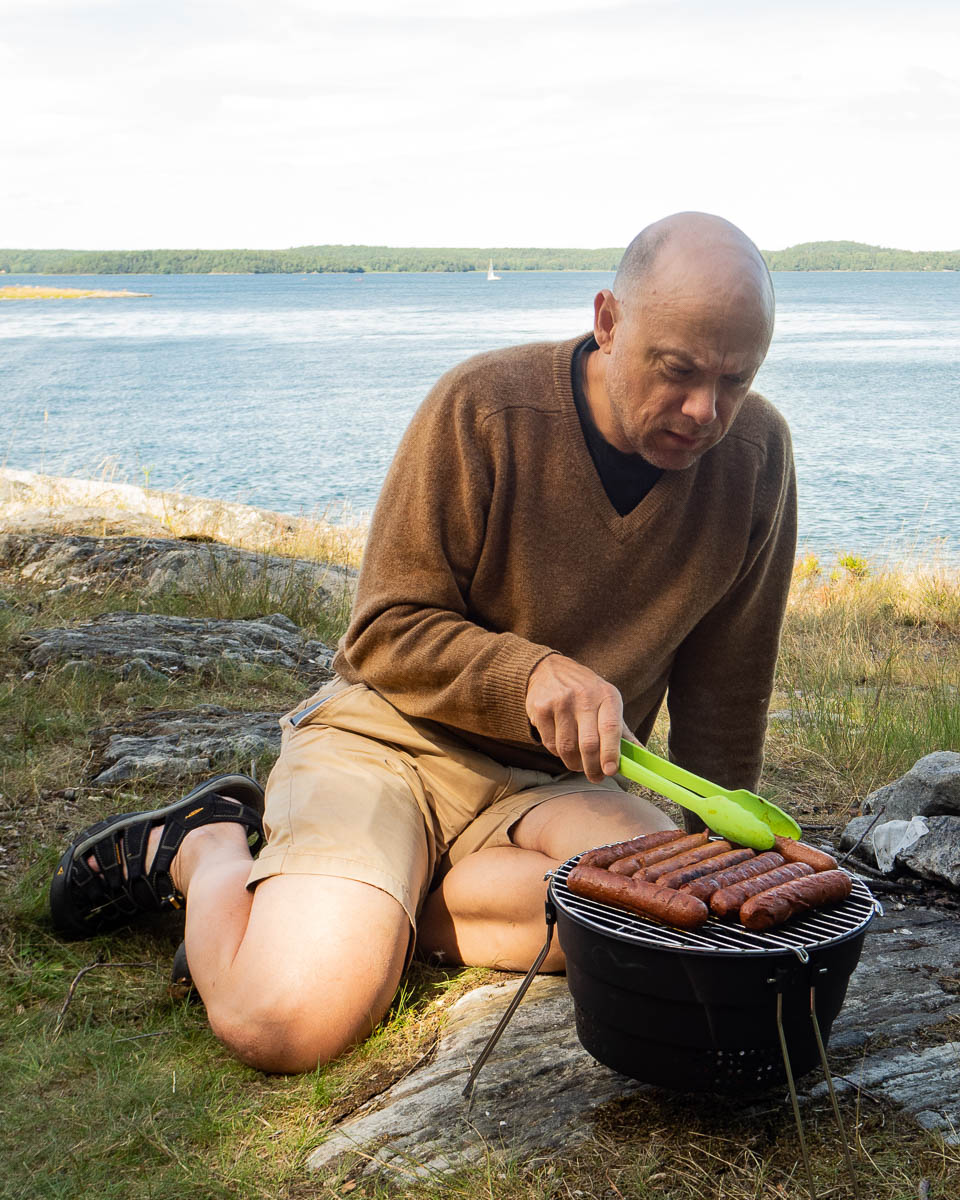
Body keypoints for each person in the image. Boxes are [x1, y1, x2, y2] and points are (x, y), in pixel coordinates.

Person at [49, 212, 798, 1074]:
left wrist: (727, 859)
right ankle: (206, 845)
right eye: (679, 371)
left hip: (555, 787)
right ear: (608, 320)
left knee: (660, 922)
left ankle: (367, 908)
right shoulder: (485, 408)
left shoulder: (756, 455)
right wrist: (528, 674)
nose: (706, 411)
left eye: (735, 379)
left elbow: (728, 688)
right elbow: (384, 631)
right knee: (284, 1023)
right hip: (390, 743)